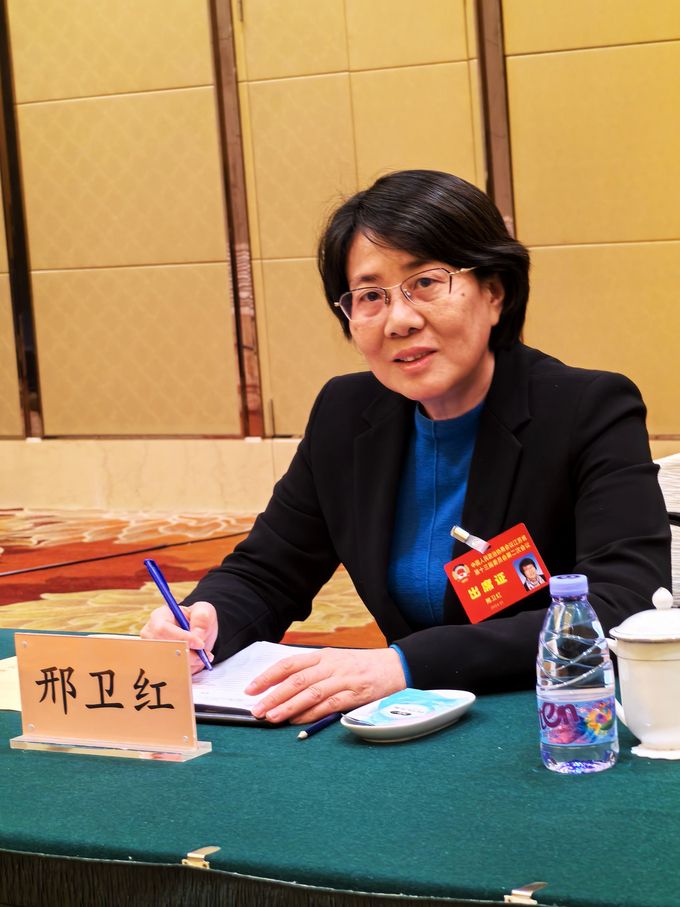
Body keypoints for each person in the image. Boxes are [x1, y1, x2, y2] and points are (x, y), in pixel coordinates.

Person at [141, 170, 671, 724]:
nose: (400, 319)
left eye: (426, 282)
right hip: (408, 725)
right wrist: (206, 619)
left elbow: (623, 602)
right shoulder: (346, 415)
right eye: (371, 296)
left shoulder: (586, 409)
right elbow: (268, 571)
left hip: (559, 723)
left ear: (494, 292)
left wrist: (407, 664)